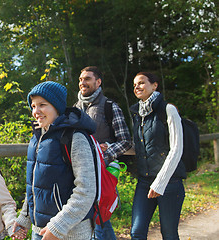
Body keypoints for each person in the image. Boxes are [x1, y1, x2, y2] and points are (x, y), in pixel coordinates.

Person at [13, 81, 98, 240]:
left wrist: (58, 226)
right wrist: (24, 217)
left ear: (57, 107)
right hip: (40, 231)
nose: (36, 111)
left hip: (70, 232)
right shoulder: (36, 139)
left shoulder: (74, 137)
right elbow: (34, 186)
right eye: (33, 106)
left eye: (42, 105)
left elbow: (86, 190)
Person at [75, 66, 132, 240]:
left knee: (99, 217)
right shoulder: (75, 109)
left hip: (102, 174)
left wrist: (103, 152)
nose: (82, 82)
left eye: (87, 79)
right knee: (95, 220)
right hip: (79, 174)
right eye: (80, 79)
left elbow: (125, 141)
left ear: (98, 82)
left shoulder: (109, 106)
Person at [130, 72, 185, 239]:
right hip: (144, 181)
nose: (137, 87)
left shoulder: (168, 109)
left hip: (170, 182)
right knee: (137, 232)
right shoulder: (137, 114)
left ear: (154, 85)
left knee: (168, 234)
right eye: (134, 85)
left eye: (141, 83)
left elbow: (177, 148)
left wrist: (160, 183)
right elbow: (140, 147)